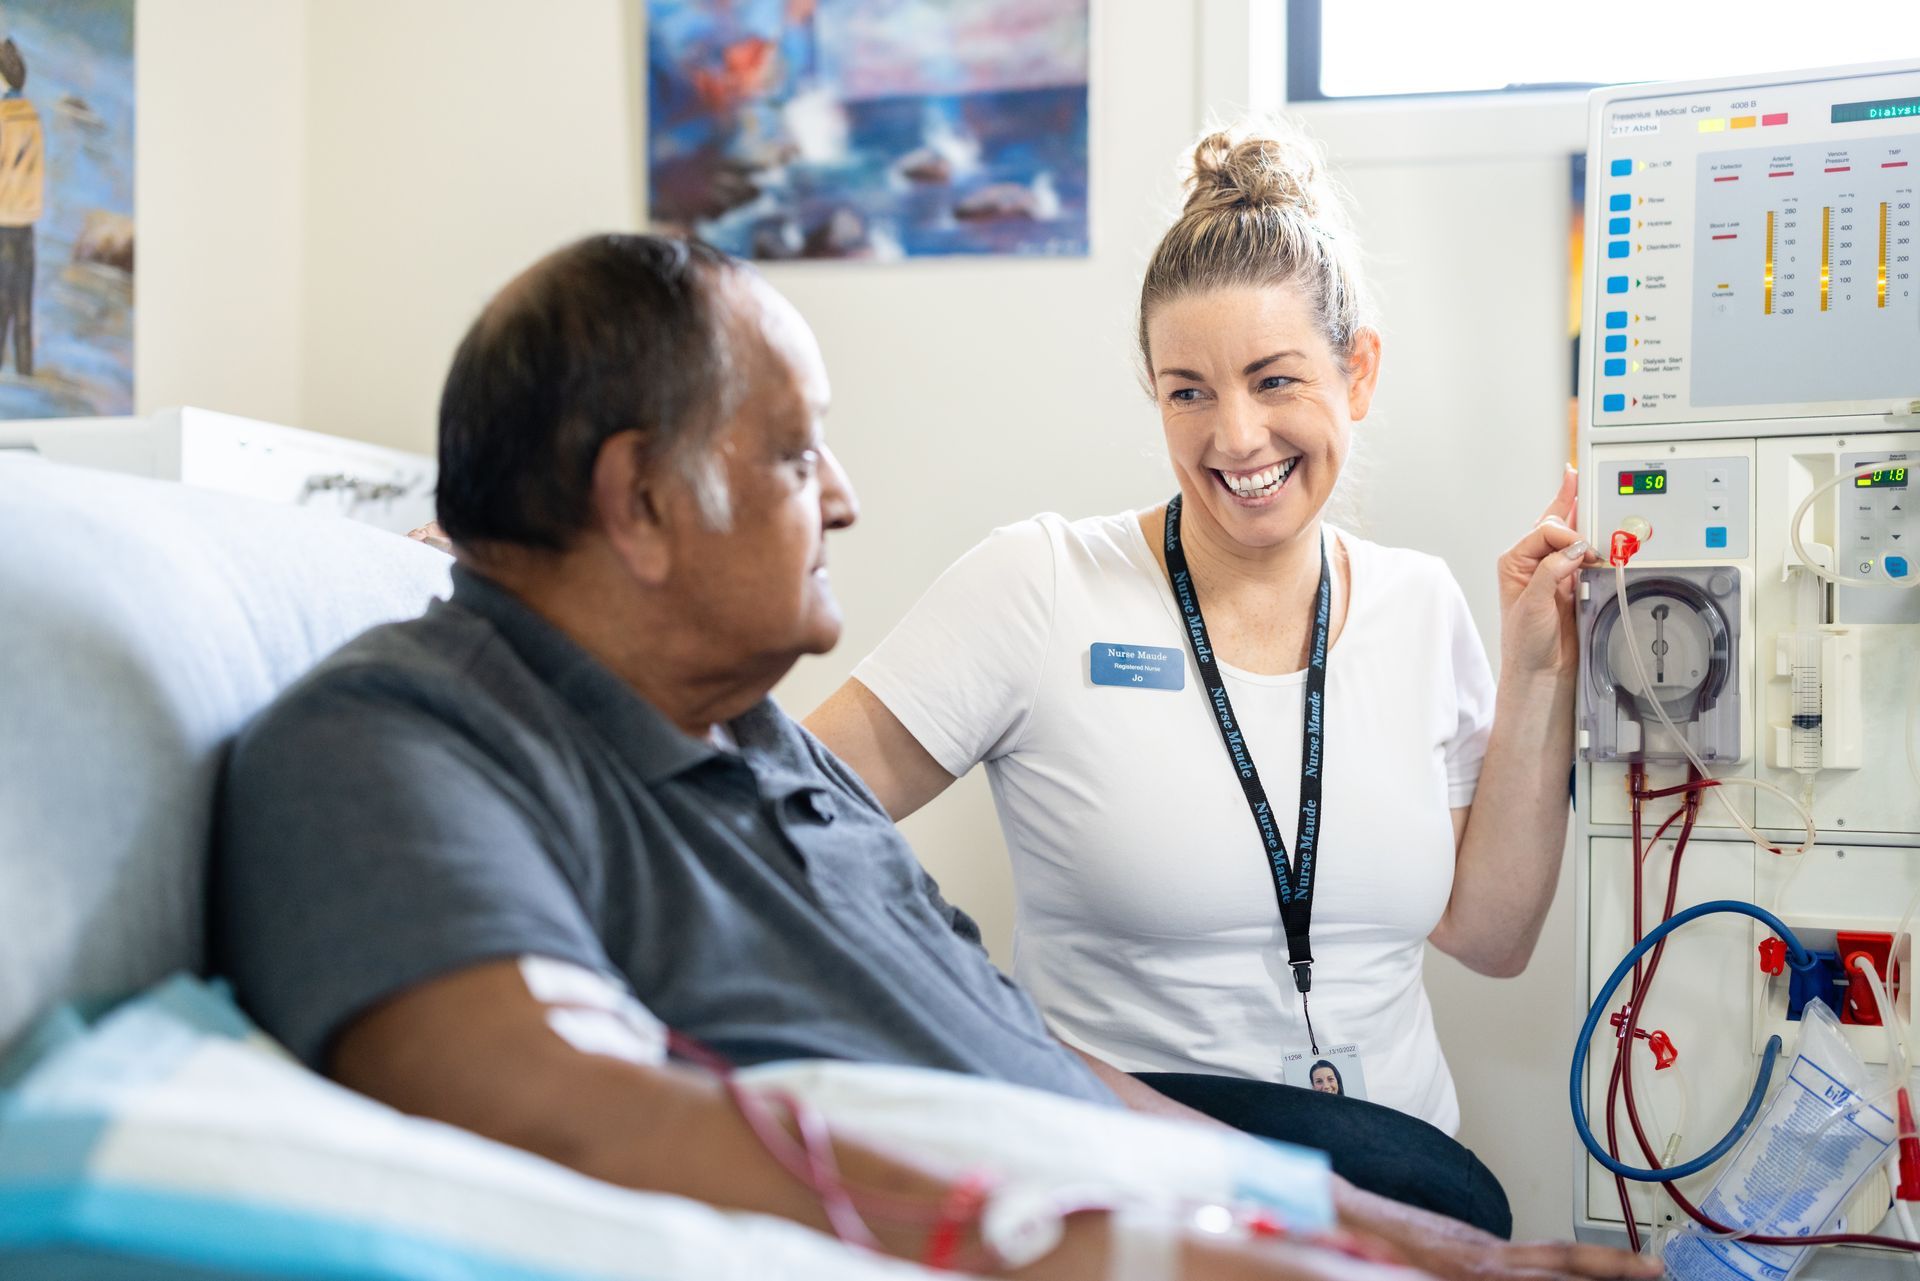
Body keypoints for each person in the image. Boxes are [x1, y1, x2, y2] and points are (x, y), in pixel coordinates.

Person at [216, 233, 1652, 1281]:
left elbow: (1037, 1064)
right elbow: (564, 1114)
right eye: (795, 456)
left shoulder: (763, 753)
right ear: (638, 504)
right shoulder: (401, 734)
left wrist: (1414, 1245)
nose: (842, 500)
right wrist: (1216, 1259)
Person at [805, 122, 1595, 1226]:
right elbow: (785, 817)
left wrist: (1538, 667)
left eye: (1275, 380)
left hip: (1402, 1197)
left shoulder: (1421, 604)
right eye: (1187, 392)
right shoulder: (1041, 585)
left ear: (1357, 371)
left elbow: (1491, 936)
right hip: (1138, 1208)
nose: (1235, 436)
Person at [0, 37, 42, 376]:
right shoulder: (32, 117)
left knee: (0, 303)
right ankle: (26, 369)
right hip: (26, 222)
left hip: (2, 221)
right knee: (23, 304)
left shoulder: (2, 119)